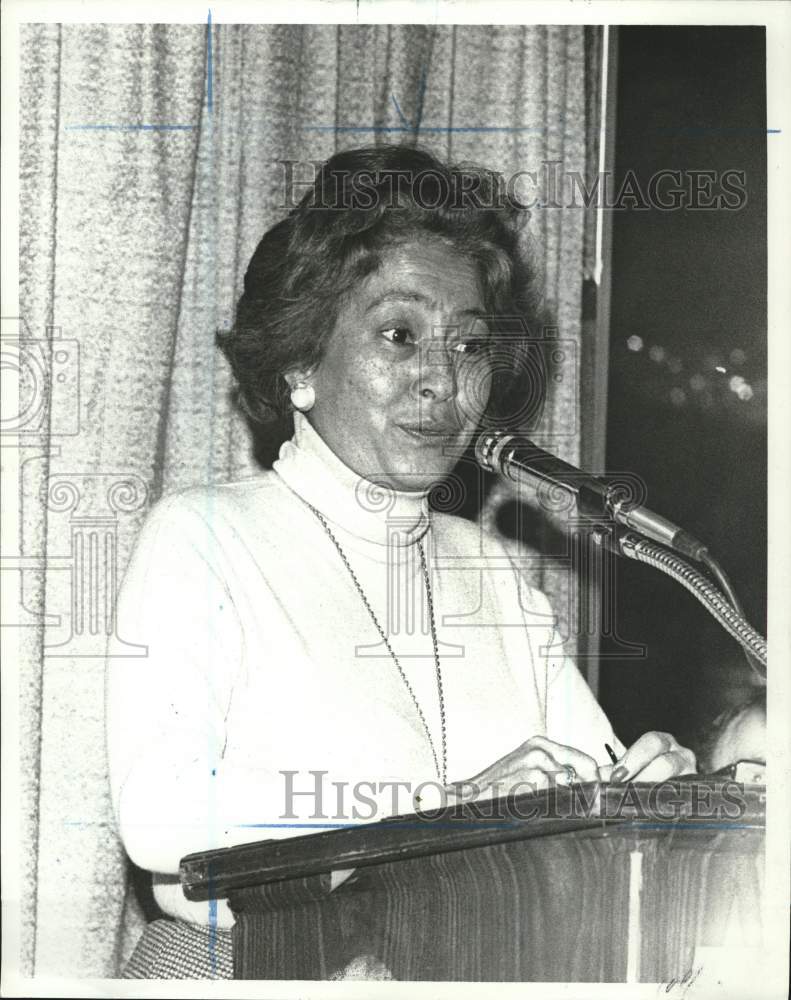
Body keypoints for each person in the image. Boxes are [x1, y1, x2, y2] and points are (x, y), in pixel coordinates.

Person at [105, 145, 696, 978]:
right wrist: (438, 811)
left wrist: (655, 790)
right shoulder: (203, 536)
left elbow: (588, 799)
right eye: (399, 334)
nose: (440, 381)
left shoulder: (494, 568)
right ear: (300, 362)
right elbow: (159, 812)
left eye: (468, 347)